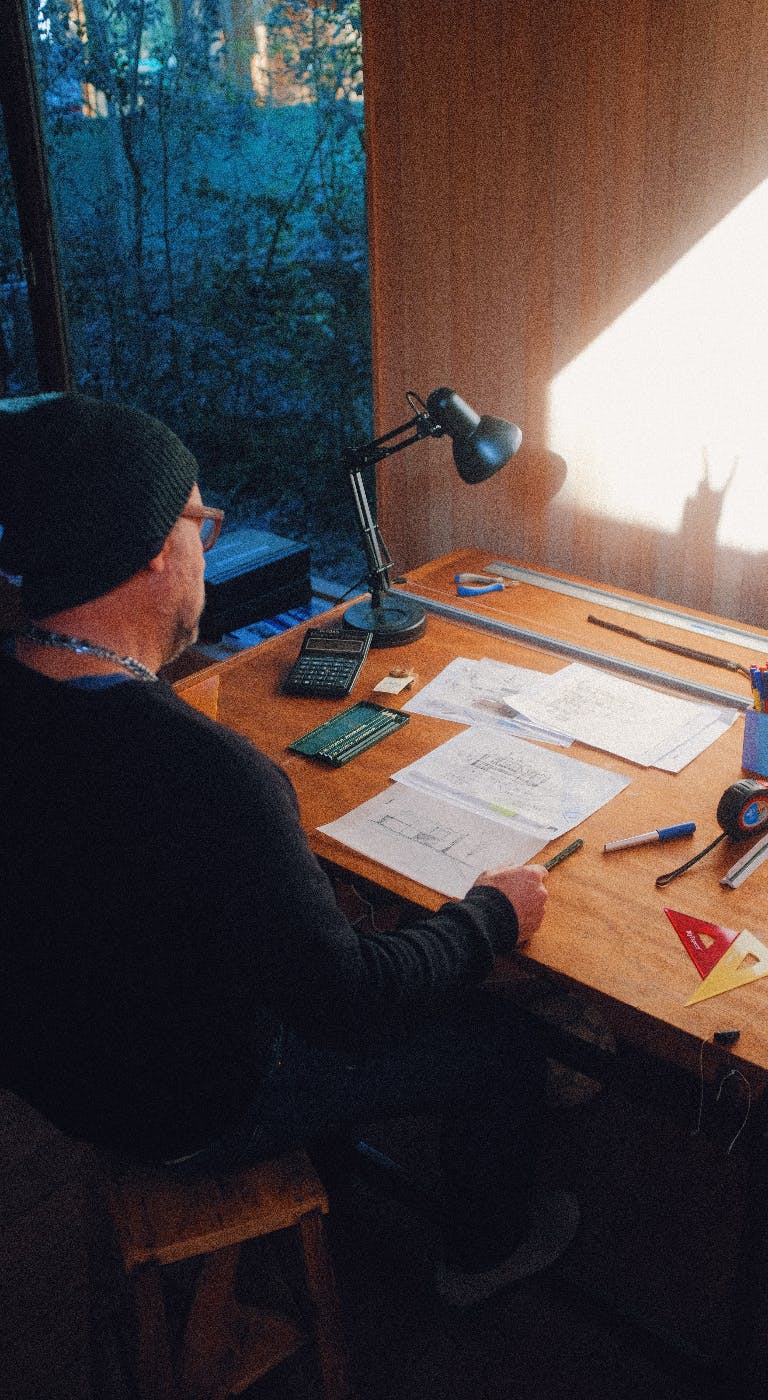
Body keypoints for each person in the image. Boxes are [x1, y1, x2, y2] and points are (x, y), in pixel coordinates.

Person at [0, 392, 578, 1307]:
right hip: (182, 1104)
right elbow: (353, 1003)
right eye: (201, 515)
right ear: (155, 547)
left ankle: (346, 1172)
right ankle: (484, 1257)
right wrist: (490, 918)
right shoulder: (207, 774)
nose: (210, 537)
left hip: (58, 1068)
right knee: (505, 1045)